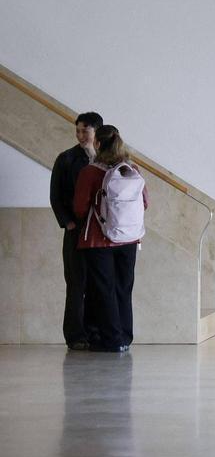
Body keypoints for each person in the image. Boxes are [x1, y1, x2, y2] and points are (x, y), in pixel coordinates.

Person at [72, 126, 148, 353]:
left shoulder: (89, 172)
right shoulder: (132, 169)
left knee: (104, 289)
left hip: (98, 240)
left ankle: (112, 339)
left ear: (97, 144)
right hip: (129, 239)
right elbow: (145, 202)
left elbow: (79, 208)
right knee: (124, 288)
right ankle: (125, 337)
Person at [50, 111, 103, 351]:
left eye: (85, 131)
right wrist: (68, 222)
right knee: (76, 283)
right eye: (78, 130)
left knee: (96, 284)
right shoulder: (66, 159)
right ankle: (75, 335)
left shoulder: (105, 158)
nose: (81, 135)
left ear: (96, 132)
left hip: (100, 232)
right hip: (76, 229)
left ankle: (94, 332)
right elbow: (56, 195)